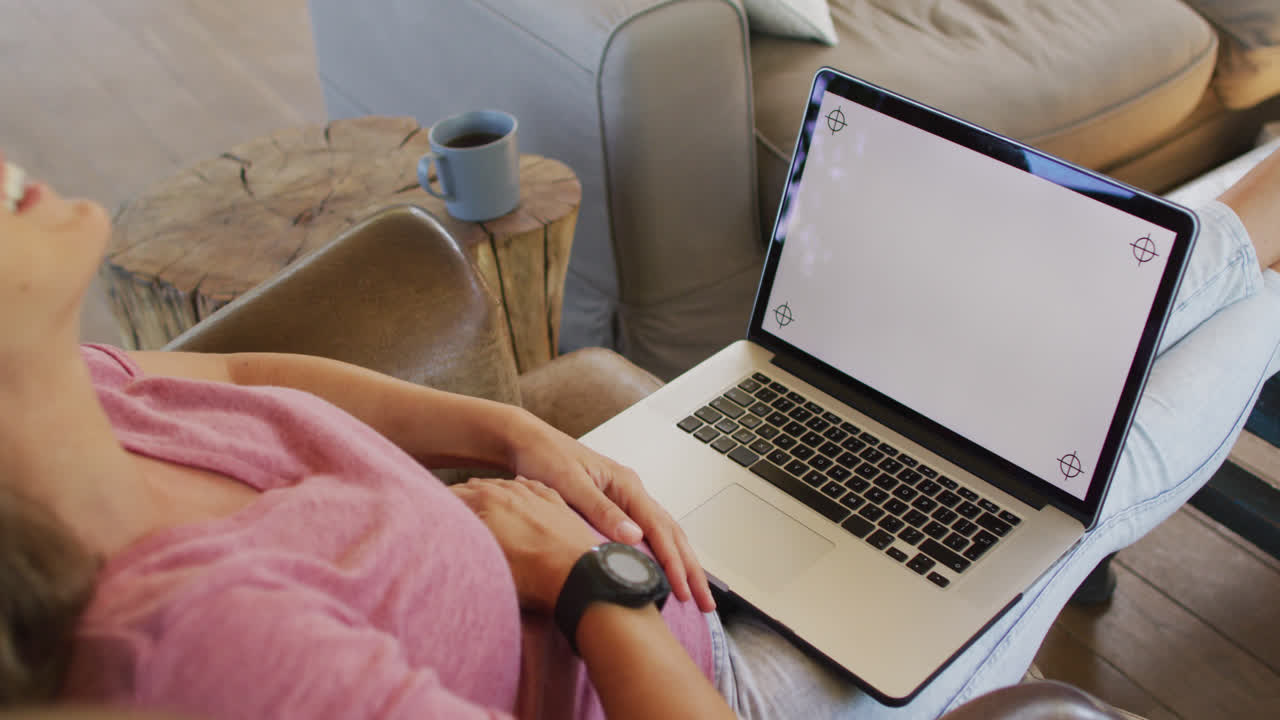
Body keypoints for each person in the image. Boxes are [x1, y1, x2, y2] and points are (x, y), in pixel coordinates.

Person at [1, 145, 1278, 720]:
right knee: (1107, 448)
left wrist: (501, 430)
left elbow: (240, 368)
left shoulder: (93, 396)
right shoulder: (214, 659)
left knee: (1076, 326)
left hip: (633, 563)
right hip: (703, 679)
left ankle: (1248, 212)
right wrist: (583, 580)